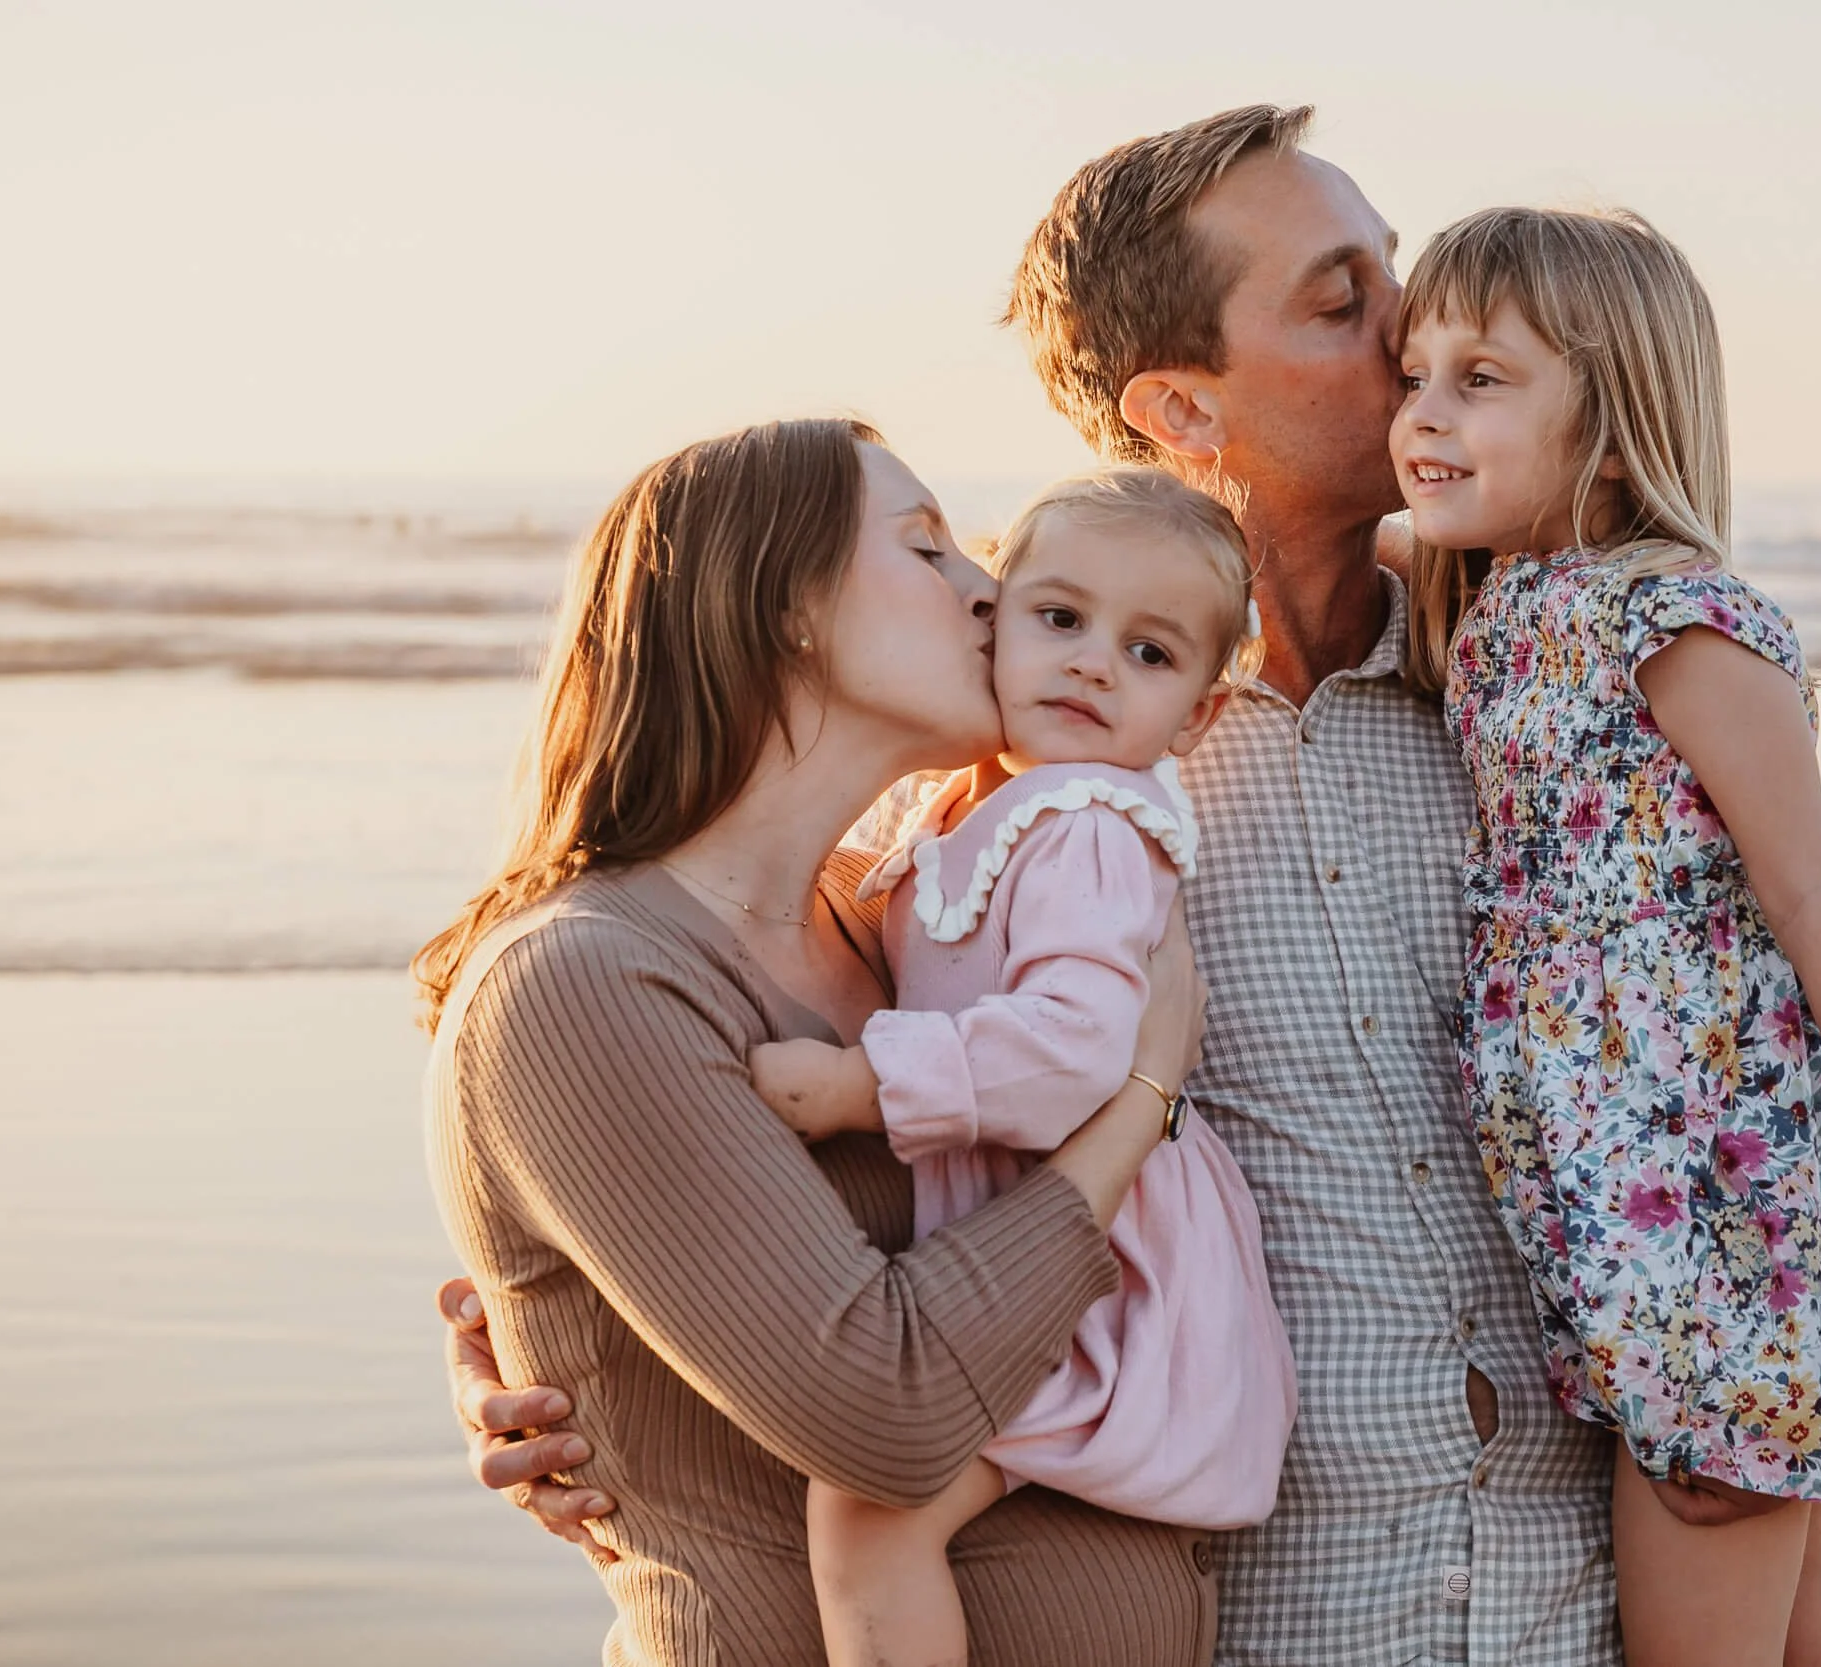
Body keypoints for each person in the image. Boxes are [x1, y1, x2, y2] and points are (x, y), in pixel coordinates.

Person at [450, 106, 1629, 1663]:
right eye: (1345, 301)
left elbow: (1734, 1034)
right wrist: (556, 1346)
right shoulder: (995, 779)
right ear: (1181, 407)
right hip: (1276, 1605)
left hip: (1569, 1581)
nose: (1417, 329)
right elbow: (653, 1105)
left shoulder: (1543, 686)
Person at [420, 418, 1225, 1665]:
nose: (988, 590)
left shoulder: (891, 911)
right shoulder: (582, 978)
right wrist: (1139, 1099)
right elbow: (884, 1414)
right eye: (927, 547)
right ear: (786, 606)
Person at [1394, 205, 1821, 1665]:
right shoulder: (1500, 598)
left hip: (1754, 1189)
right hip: (1655, 1178)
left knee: (1711, 1552)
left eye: (1481, 378)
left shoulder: (1675, 622)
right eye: (1411, 376)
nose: (1422, 414)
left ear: (1611, 429)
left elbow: (1820, 898)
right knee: (1809, 1628)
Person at [746, 469, 1298, 1667]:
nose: (1094, 664)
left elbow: (1074, 1046)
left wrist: (858, 1087)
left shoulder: (1088, 825)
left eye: (1148, 653)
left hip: (1102, 1263)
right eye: (1060, 619)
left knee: (870, 1506)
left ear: (1196, 715)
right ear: (993, 622)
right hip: (1021, 1225)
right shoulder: (964, 804)